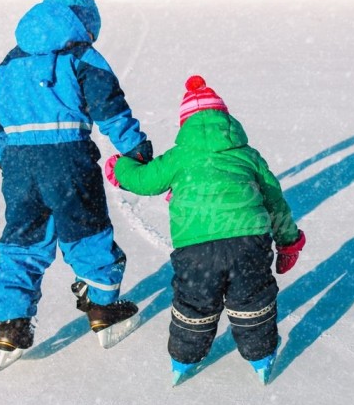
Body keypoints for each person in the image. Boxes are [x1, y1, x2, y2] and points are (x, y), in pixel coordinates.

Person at [0, 0, 153, 366]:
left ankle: (11, 322)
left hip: (20, 167)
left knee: (22, 241)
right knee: (87, 230)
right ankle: (101, 306)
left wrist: (3, 156)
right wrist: (135, 148)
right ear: (83, 21)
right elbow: (110, 109)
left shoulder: (10, 61)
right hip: (70, 160)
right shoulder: (81, 56)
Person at [106, 75, 305, 384]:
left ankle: (183, 361)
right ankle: (261, 356)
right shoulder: (247, 154)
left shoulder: (179, 156)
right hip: (249, 241)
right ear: (226, 120)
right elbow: (275, 201)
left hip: (195, 249)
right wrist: (288, 241)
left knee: (195, 303)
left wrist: (121, 167)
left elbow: (145, 181)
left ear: (185, 124)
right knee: (251, 299)